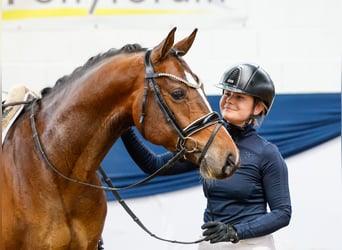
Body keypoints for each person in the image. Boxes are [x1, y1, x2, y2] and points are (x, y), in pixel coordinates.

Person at [121, 63, 291, 250]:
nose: (229, 99)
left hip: (251, 244)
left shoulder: (267, 153)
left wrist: (235, 231)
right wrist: (124, 128)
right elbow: (153, 165)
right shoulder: (209, 145)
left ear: (258, 108)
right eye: (226, 93)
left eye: (239, 97)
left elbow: (282, 213)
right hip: (211, 243)